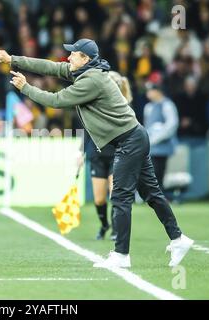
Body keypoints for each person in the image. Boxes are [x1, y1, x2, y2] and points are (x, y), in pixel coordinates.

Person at [0, 38, 194, 268]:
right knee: (151, 193)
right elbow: (51, 66)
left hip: (130, 140)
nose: (68, 58)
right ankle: (178, 239)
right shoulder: (87, 71)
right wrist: (12, 59)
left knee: (120, 197)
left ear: (85, 59)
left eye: (73, 55)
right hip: (133, 137)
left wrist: (25, 88)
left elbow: (56, 100)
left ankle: (121, 256)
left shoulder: (91, 80)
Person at [79, 71, 133, 242]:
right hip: (97, 155)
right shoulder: (95, 105)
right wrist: (81, 152)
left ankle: (116, 230)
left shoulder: (124, 107)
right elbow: (87, 130)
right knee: (99, 199)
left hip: (117, 155)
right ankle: (104, 224)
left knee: (114, 195)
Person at [144, 71, 179, 191]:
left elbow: (171, 125)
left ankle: (160, 197)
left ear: (157, 91)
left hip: (162, 147)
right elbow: (147, 126)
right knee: (152, 174)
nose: (148, 93)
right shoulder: (148, 107)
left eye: (150, 90)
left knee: (159, 173)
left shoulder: (167, 105)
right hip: (151, 148)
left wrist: (155, 139)